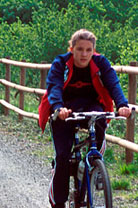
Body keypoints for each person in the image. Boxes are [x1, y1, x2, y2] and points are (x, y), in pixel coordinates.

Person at [38, 29, 131, 208]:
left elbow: (113, 82)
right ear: (71, 49)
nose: (84, 54)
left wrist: (122, 104)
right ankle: (58, 201)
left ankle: (95, 165)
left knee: (100, 120)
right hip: (64, 110)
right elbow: (54, 86)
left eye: (89, 50)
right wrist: (58, 107)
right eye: (80, 49)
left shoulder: (100, 62)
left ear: (93, 50)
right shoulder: (61, 63)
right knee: (63, 157)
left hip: (90, 106)